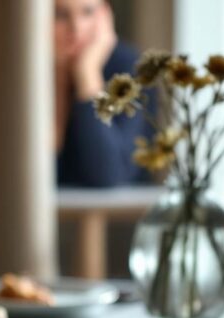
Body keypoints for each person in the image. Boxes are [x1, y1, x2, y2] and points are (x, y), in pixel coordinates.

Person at [54, 0, 155, 187]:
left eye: (87, 12)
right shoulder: (23, 77)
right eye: (60, 15)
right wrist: (58, 82)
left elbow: (109, 175)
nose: (76, 28)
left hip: (117, 215)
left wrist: (87, 74)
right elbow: (33, 182)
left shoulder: (130, 71)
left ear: (105, 15)